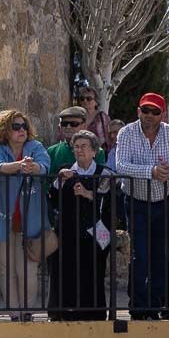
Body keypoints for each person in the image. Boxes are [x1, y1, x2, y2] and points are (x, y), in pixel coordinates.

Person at [113, 93, 169, 319]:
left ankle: (159, 306)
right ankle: (138, 307)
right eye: (145, 110)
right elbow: (121, 165)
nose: (149, 115)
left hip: (166, 203)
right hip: (136, 202)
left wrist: (167, 173)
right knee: (140, 256)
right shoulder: (126, 133)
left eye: (155, 111)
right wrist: (152, 172)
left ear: (162, 114)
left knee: (163, 257)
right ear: (138, 111)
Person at [48, 129, 111, 320]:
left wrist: (87, 193)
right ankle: (62, 313)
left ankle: (93, 314)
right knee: (64, 272)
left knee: (93, 272)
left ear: (94, 151)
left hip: (96, 231)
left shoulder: (104, 173)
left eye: (84, 146)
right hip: (67, 231)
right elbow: (52, 198)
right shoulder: (66, 170)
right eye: (76, 147)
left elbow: (109, 201)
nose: (79, 150)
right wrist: (59, 181)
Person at [0, 109, 51, 318]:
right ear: (5, 129)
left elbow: (45, 166)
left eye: (24, 126)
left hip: (30, 221)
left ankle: (27, 311)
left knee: (28, 270)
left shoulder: (35, 147)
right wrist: (16, 166)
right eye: (16, 126)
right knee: (6, 270)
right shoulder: (1, 149)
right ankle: (14, 313)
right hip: (4, 221)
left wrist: (34, 167)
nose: (22, 130)